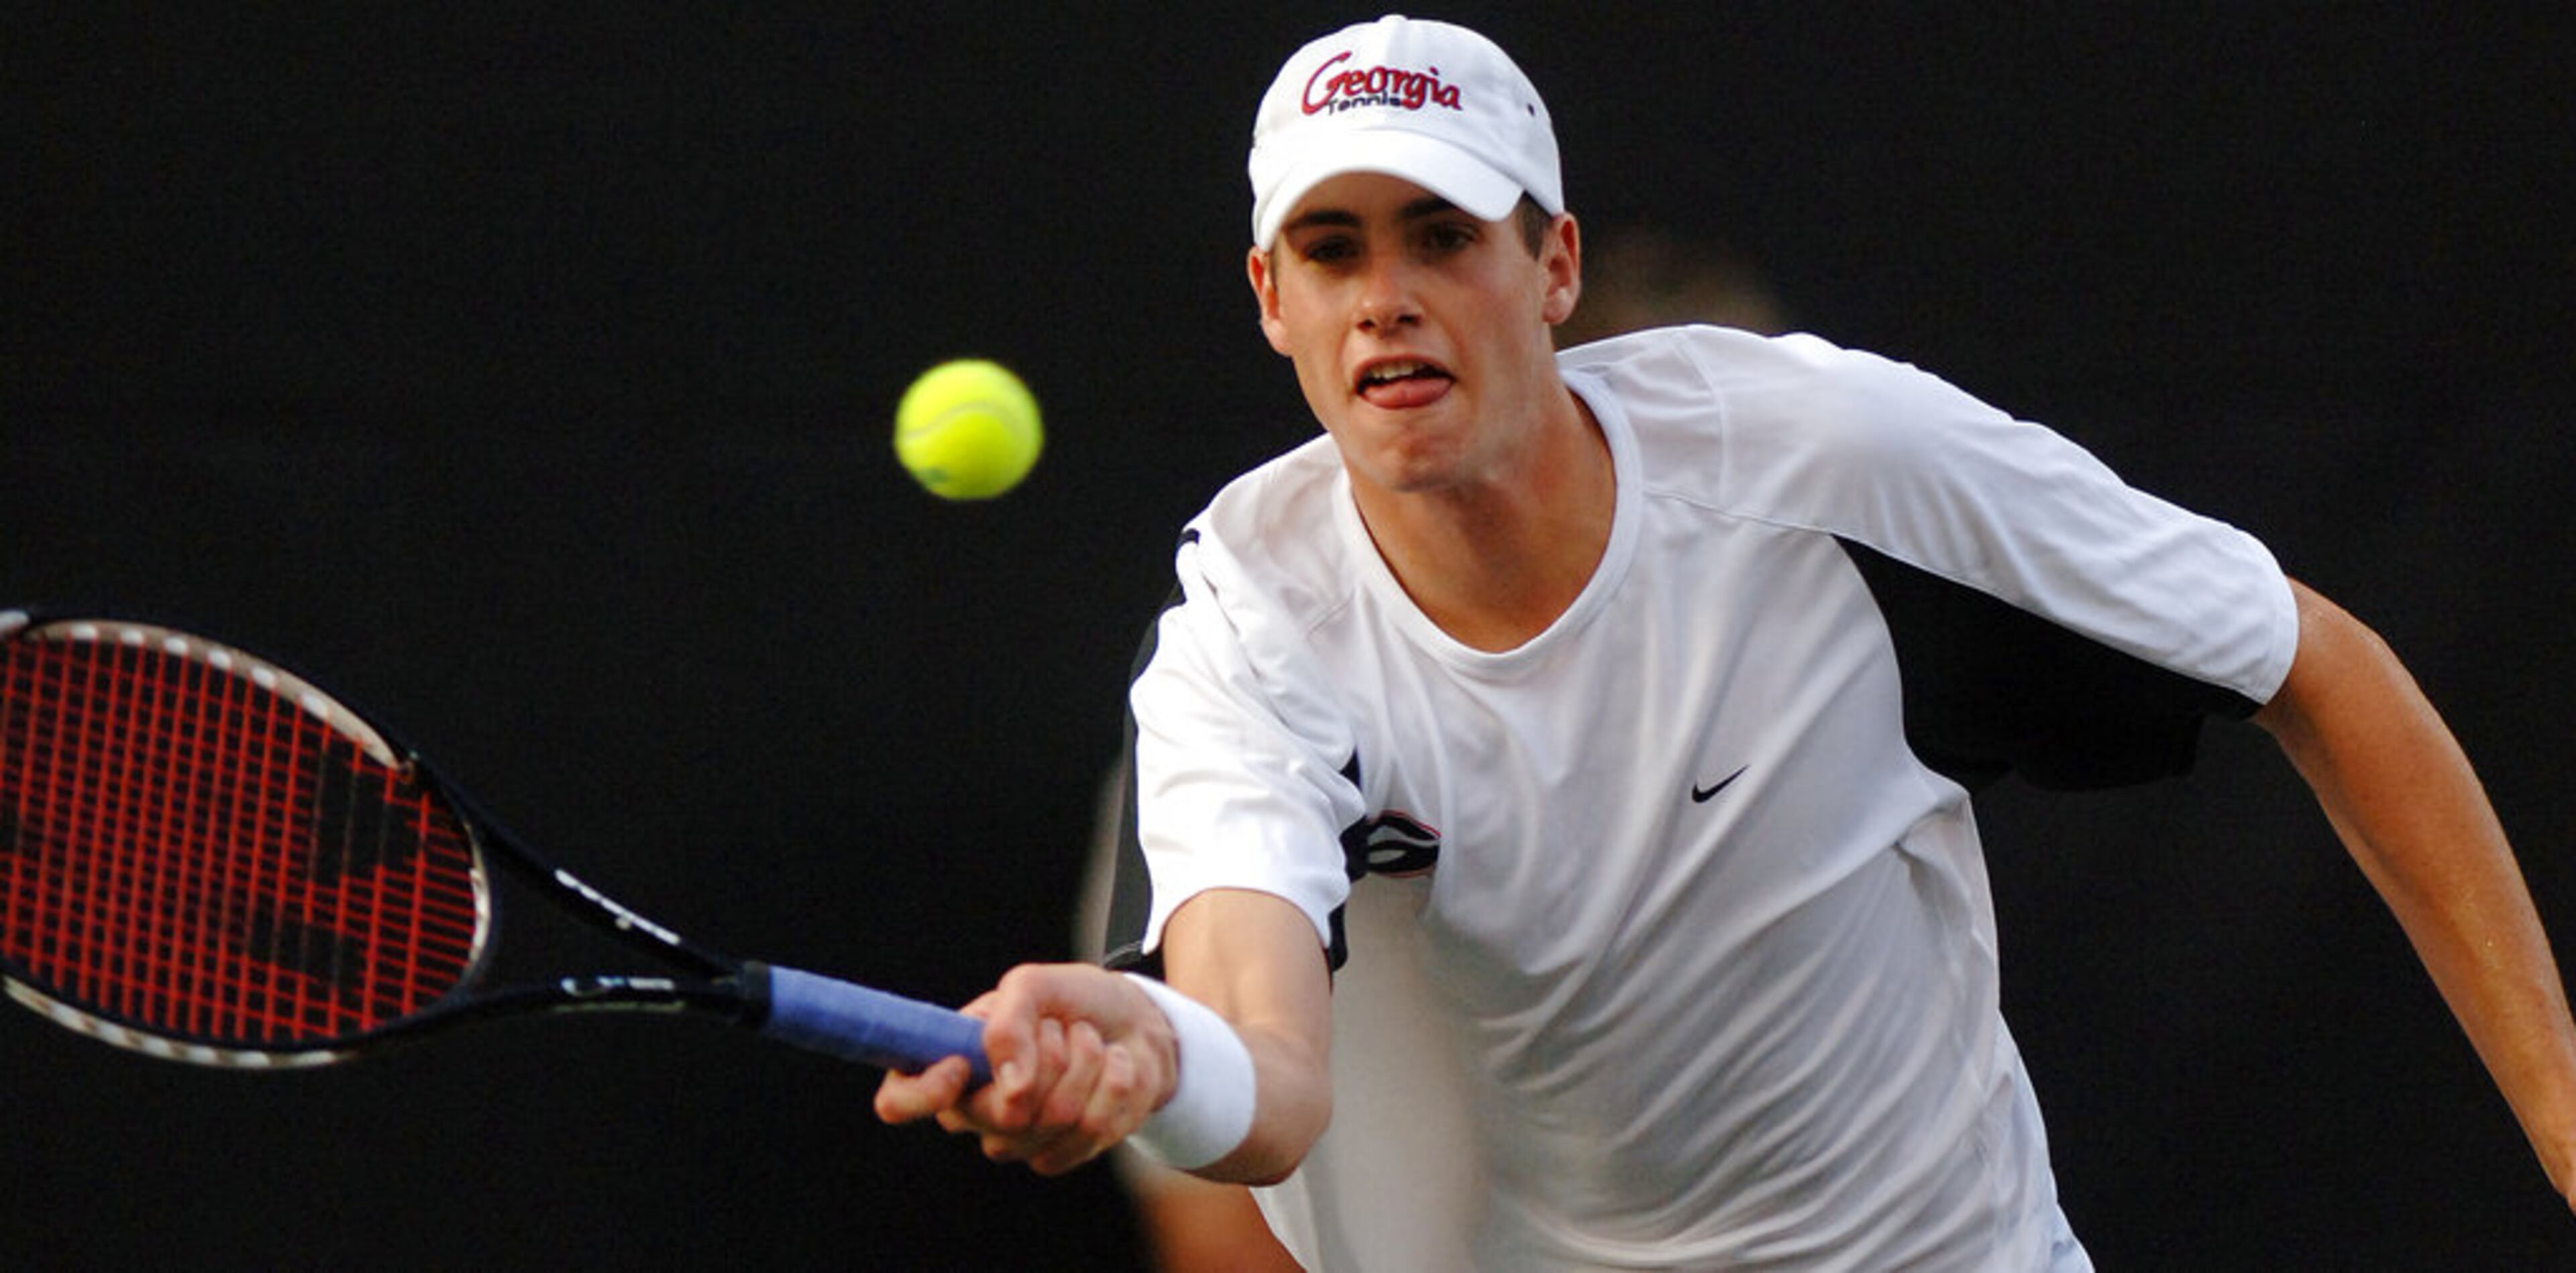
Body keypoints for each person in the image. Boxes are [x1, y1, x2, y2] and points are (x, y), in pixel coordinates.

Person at [879, 15, 2576, 1270]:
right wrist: (1144, 1050)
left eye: (1440, 237)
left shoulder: (1830, 456)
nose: (1385, 295)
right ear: (1273, 302)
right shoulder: (1244, 639)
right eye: (1333, 251)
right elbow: (1273, 1080)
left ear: (1550, 268)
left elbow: (2311, 660)